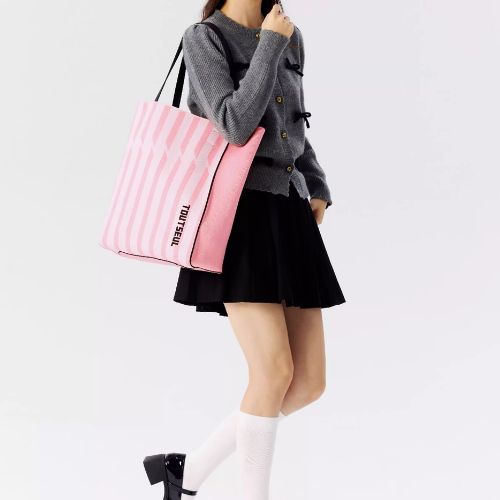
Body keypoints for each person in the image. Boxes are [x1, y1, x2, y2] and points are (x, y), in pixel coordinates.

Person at [143, 1, 346, 498]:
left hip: (290, 209)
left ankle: (185, 472)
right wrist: (270, 44)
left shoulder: (290, 34)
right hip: (239, 214)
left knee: (308, 383)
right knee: (273, 372)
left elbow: (293, 125)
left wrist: (316, 183)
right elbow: (233, 125)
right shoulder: (205, 38)